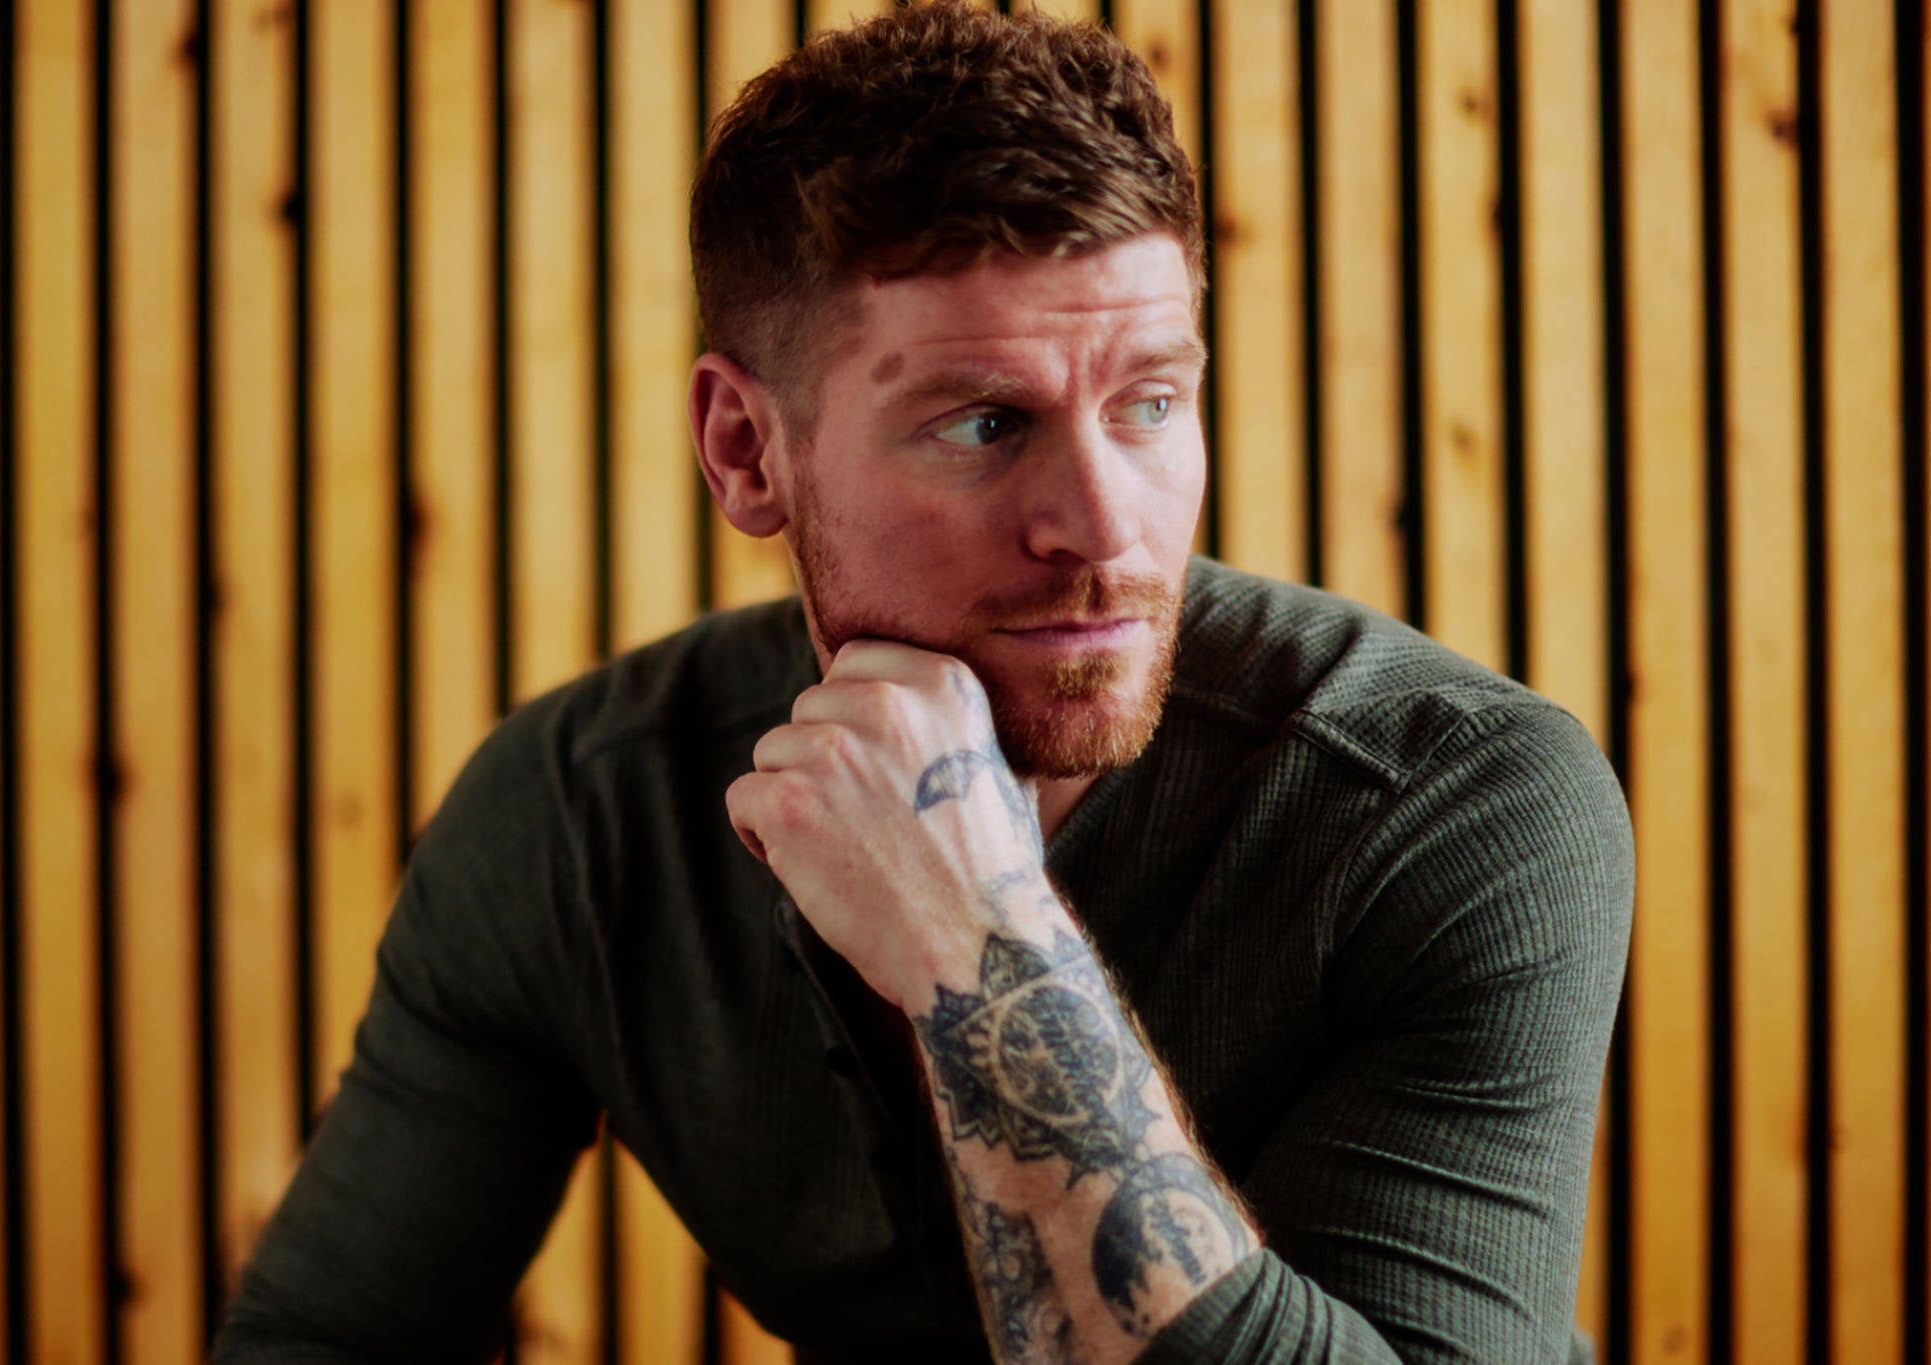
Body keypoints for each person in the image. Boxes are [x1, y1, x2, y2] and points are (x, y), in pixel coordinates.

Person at [213, 5, 1632, 1362]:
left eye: (1150, 402)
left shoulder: (1454, 802)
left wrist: (984, 938)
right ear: (746, 450)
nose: (1104, 525)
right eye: (983, 423)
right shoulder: (582, 815)